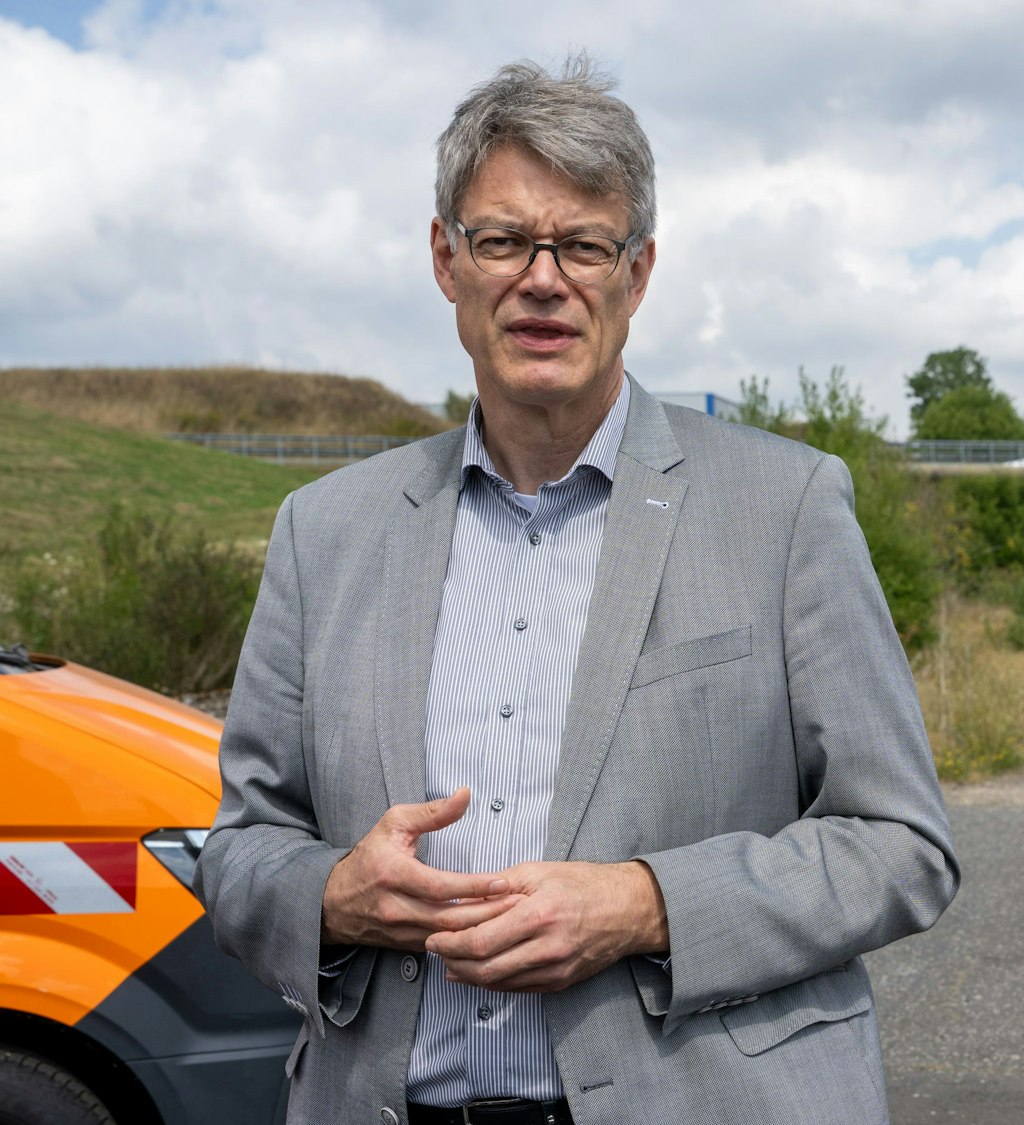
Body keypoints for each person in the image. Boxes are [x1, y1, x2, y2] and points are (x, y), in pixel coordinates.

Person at [195, 55, 958, 1125]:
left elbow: (901, 847)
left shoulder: (785, 507)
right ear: (444, 258)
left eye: (583, 245)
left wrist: (647, 906)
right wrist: (332, 898)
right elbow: (239, 851)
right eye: (502, 239)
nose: (541, 279)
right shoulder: (325, 531)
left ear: (636, 274)